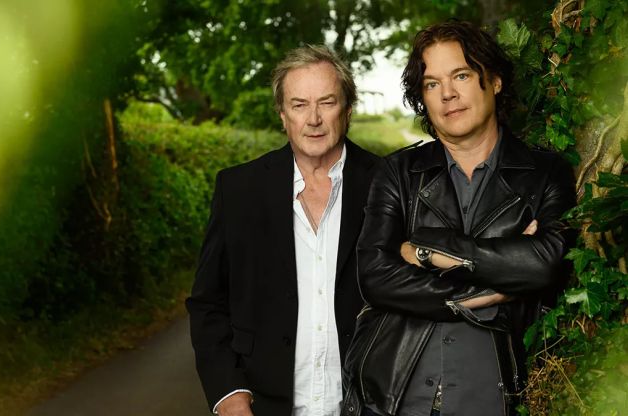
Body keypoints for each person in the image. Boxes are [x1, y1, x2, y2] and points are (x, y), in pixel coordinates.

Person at [341, 21, 576, 416]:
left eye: (461, 75)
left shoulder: (544, 174)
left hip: (491, 398)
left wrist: (428, 251)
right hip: (393, 397)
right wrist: (487, 288)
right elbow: (375, 276)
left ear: (495, 81)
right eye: (432, 84)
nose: (447, 93)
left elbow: (544, 265)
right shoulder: (399, 173)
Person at [187, 44, 380, 416]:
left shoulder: (388, 183)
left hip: (369, 405)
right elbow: (208, 303)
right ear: (282, 114)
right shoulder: (238, 189)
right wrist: (228, 393)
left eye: (326, 102)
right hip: (264, 406)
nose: (313, 119)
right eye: (299, 104)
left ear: (348, 110)